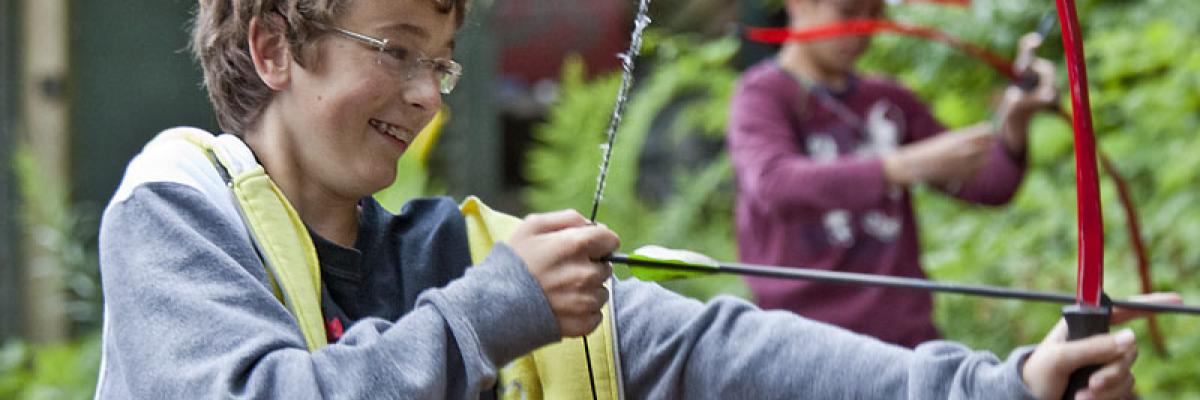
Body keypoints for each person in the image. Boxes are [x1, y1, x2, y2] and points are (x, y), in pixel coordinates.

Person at [96, 0, 1151, 398]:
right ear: (273, 47)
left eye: (446, 60)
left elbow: (719, 350)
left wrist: (1002, 384)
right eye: (397, 51)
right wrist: (490, 312)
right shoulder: (178, 209)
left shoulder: (457, 255)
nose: (427, 94)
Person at [728, 0, 1059, 347]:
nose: (864, 28)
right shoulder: (762, 94)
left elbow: (992, 184)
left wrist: (1016, 118)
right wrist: (901, 166)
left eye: (875, 13)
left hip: (904, 342)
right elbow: (774, 183)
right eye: (848, 12)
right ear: (798, 6)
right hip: (801, 343)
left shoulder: (890, 99)